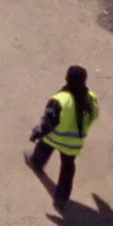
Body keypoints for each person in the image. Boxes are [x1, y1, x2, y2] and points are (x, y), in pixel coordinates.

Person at [28, 65, 101, 212]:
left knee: (42, 149)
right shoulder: (91, 99)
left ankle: (36, 163)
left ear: (67, 79)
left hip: (53, 138)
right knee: (68, 169)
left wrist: (36, 133)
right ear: (84, 81)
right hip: (72, 144)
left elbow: (49, 123)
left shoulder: (60, 99)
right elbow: (95, 116)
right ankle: (62, 198)